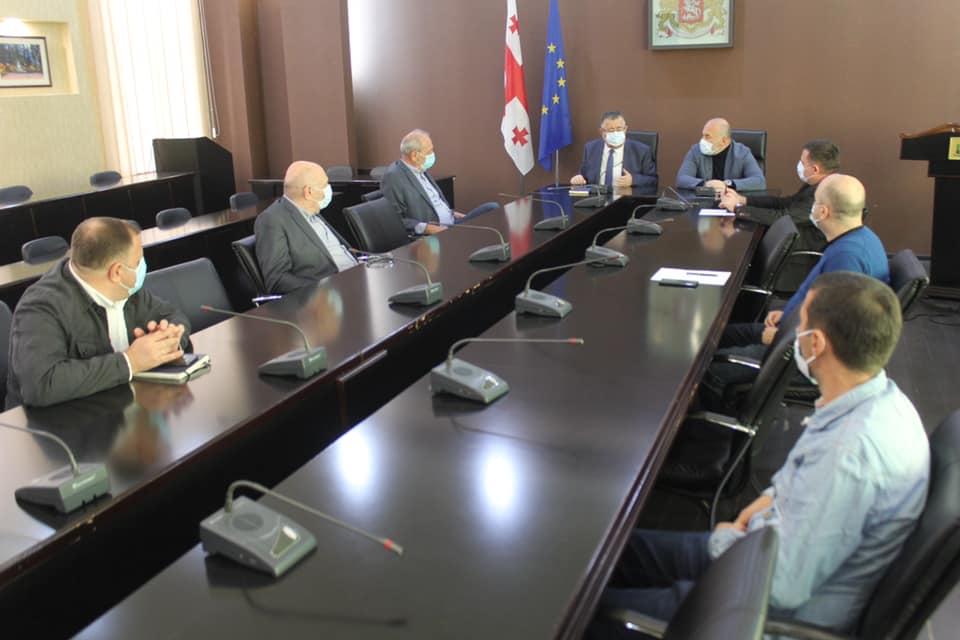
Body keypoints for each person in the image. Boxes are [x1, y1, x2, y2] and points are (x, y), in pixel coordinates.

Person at [593, 272, 929, 636]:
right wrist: (756, 512)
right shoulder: (878, 400)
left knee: (584, 613)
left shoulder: (849, 456)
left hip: (750, 610)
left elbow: (781, 587)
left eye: (800, 324)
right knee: (605, 552)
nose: (793, 333)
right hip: (756, 553)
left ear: (816, 343)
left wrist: (735, 540)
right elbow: (800, 488)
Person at [6, 217, 191, 409]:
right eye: (138, 261)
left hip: (117, 406)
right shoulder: (41, 306)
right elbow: (41, 385)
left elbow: (173, 316)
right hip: (55, 421)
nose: (142, 266)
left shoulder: (126, 288)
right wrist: (130, 362)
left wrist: (166, 340)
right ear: (117, 272)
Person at [722, 173, 888, 350]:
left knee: (715, 337)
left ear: (823, 212)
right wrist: (789, 312)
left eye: (815, 203)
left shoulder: (846, 257)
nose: (811, 209)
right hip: (793, 324)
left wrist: (780, 335)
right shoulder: (862, 239)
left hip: (794, 343)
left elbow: (833, 331)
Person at [721, 139, 839, 286]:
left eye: (803, 163)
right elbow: (784, 203)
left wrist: (738, 208)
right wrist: (744, 200)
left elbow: (783, 218)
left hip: (798, 258)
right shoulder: (818, 184)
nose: (799, 165)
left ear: (815, 169)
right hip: (792, 242)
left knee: (738, 251)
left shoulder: (824, 192)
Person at [255, 160, 358, 295]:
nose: (329, 189)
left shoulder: (313, 208)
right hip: (328, 295)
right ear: (308, 192)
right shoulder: (272, 220)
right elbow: (277, 280)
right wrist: (322, 290)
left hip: (356, 276)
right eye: (324, 185)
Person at [381, 129, 464, 235]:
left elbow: (434, 202)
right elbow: (394, 220)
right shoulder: (393, 176)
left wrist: (451, 213)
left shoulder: (420, 169)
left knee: (485, 209)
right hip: (436, 234)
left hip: (452, 224)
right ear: (414, 155)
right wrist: (427, 228)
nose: (432, 155)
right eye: (429, 152)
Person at [570, 111, 657, 190]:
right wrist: (578, 178)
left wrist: (633, 180)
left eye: (619, 129)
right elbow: (583, 175)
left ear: (625, 129)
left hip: (626, 199)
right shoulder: (591, 148)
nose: (615, 133)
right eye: (611, 130)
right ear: (602, 132)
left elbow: (653, 180)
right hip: (597, 197)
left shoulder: (641, 151)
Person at [675, 117, 766, 192]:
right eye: (703, 135)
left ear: (724, 141)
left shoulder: (742, 152)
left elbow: (759, 181)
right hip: (702, 202)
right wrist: (705, 184)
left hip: (732, 202)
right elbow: (681, 178)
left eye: (707, 136)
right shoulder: (696, 150)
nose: (702, 140)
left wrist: (727, 184)